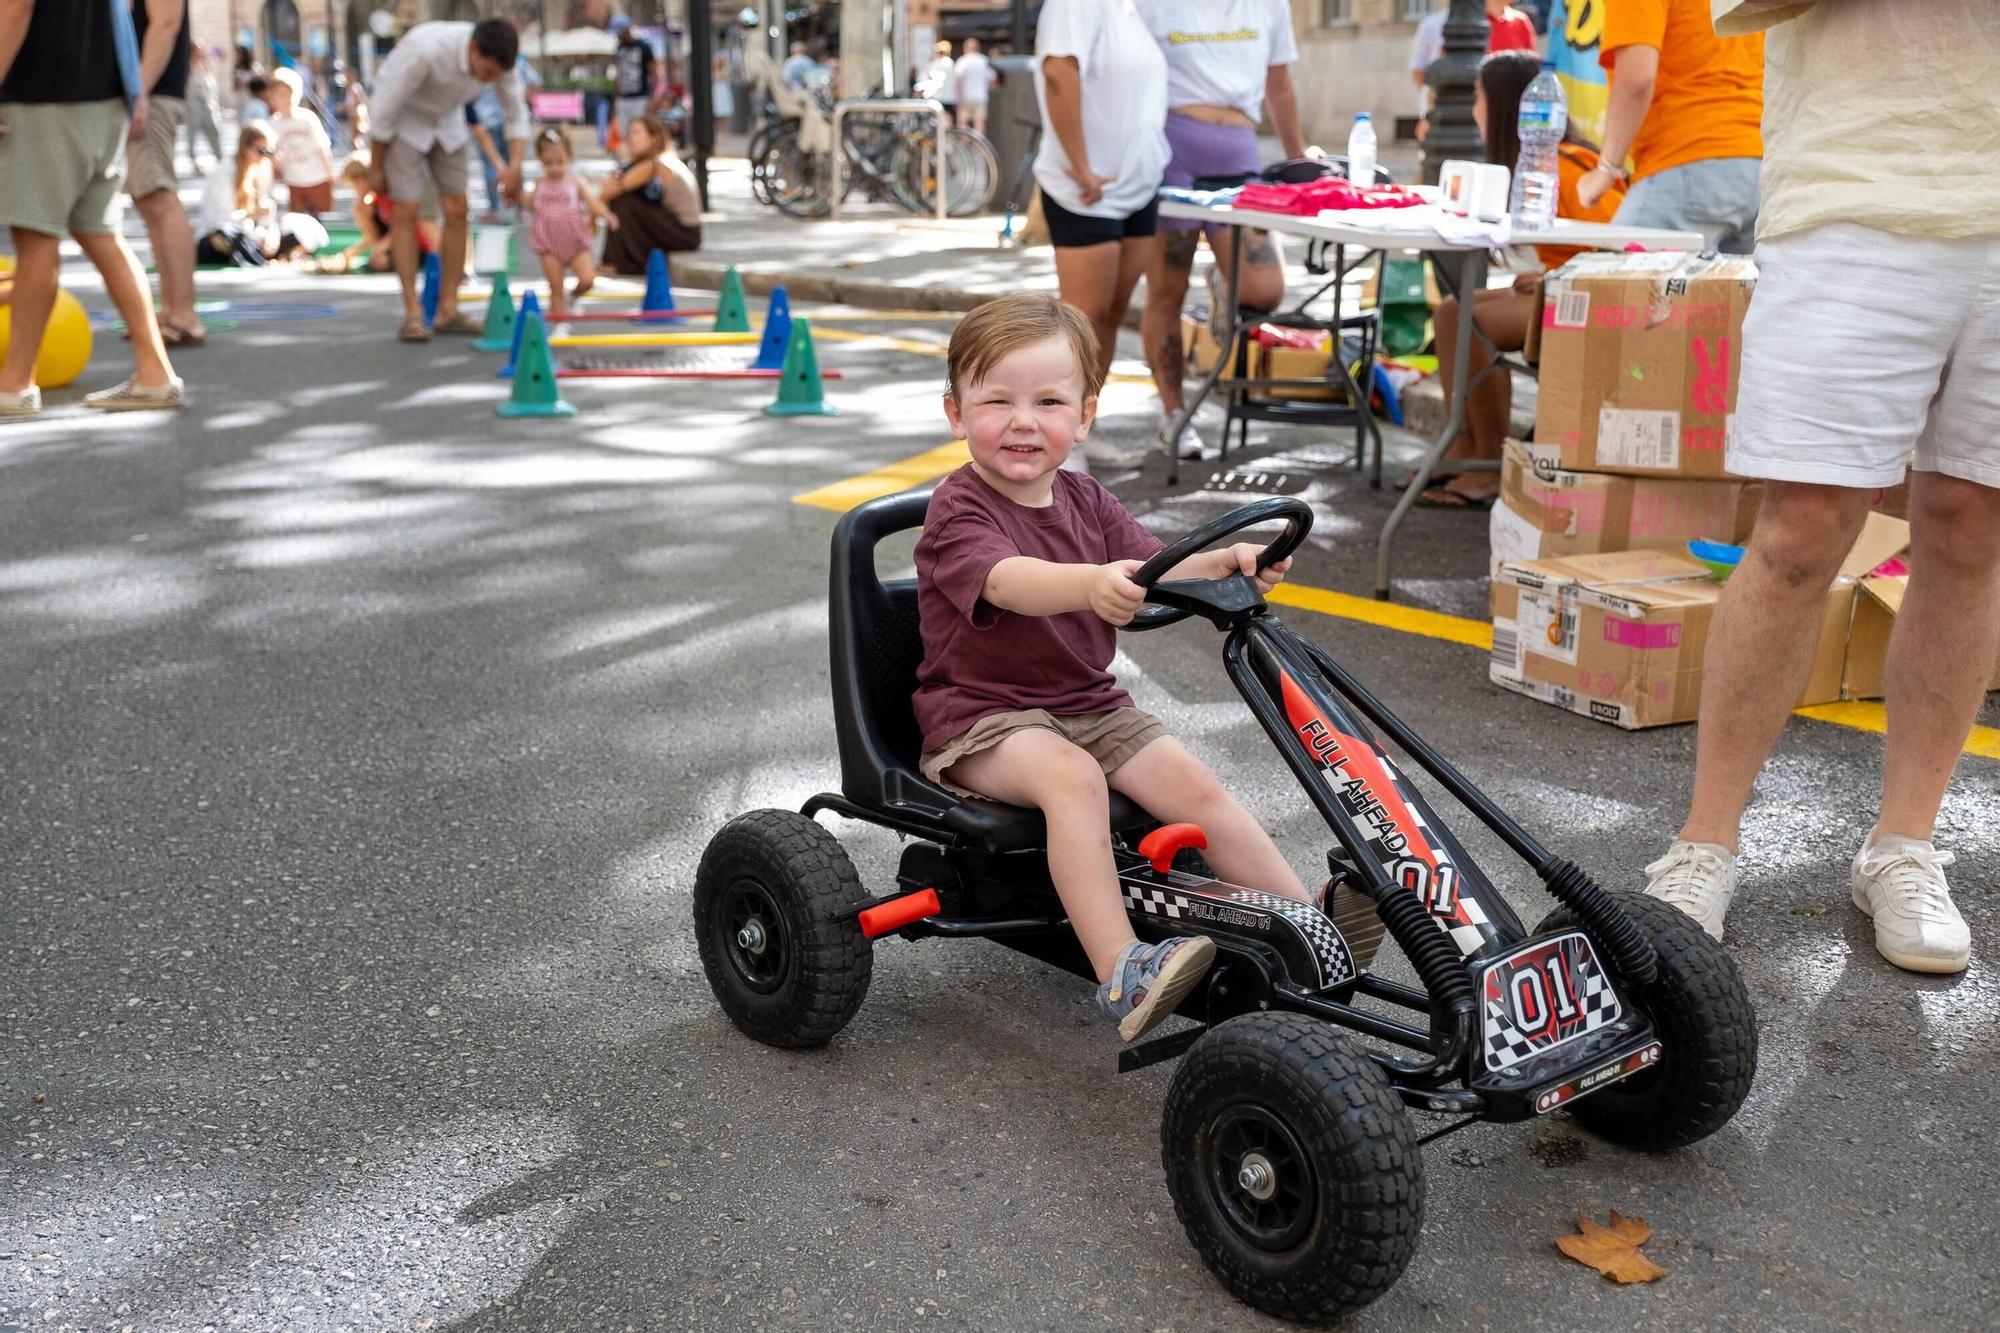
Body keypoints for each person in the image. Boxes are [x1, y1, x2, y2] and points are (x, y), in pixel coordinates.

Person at [1637, 0, 1999, 978]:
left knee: (1969, 526)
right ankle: (1703, 843)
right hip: (1853, 189)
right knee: (1800, 527)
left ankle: (1904, 846)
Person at [914, 293, 1310, 1040]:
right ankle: (1124, 971)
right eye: (997, 400)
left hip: (1087, 704)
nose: (1024, 419)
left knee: (1193, 784)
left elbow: (1156, 564)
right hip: (982, 719)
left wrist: (1222, 561)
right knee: (1073, 779)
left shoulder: (1086, 498)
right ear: (956, 412)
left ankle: (1306, 923)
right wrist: (1090, 584)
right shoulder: (957, 511)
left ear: (1085, 416)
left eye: (1049, 400)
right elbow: (1007, 580)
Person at [1421, 49, 1623, 510]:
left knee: (1473, 320)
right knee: (1453, 310)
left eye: (1477, 96)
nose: (1471, 107)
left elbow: (1627, 251)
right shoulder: (1532, 162)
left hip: (1593, 296)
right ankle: (1467, 446)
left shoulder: (1569, 165)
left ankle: (1491, 462)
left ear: (1504, 104)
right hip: (1563, 286)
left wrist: (1555, 276)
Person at [0, 0, 184, 416]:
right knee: (101, 233)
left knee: (36, 236)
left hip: (45, 92)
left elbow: (15, 7)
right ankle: (156, 373)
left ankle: (14, 382)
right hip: (104, 89)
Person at [1138, 0, 1304, 461]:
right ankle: (1175, 416)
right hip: (1172, 147)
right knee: (1166, 293)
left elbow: (1280, 84)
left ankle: (1221, 281)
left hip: (1238, 152)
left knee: (1265, 291)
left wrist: (1300, 163)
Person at [365, 16, 528, 342]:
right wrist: (376, 165)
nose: (491, 79)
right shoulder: (427, 50)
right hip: (404, 121)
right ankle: (413, 312)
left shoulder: (503, 65)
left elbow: (515, 113)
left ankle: (448, 309)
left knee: (457, 209)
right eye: (488, 72)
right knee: (407, 211)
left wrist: (514, 167)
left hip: (448, 121)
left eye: (497, 74)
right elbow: (385, 106)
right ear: (472, 48)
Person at [1034, 0, 1170, 387]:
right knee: (1083, 320)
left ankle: (1080, 428)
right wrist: (1081, 166)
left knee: (1110, 314)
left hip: (1138, 186)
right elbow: (1058, 73)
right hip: (1086, 191)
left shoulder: (1131, 10)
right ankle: (1055, 435)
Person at [1577, 0, 1762, 252]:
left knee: (1609, 284)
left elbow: (1637, 79)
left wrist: (1607, 168)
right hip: (1758, 166)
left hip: (1689, 162)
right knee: (1720, 292)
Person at [123, 0, 205, 348]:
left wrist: (138, 92)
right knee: (149, 200)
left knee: (159, 198)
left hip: (153, 92)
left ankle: (183, 314)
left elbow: (166, 24)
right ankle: (172, 310)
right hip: (148, 90)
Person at [191, 121, 325, 265]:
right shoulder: (224, 173)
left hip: (252, 239)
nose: (264, 157)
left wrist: (270, 234)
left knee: (304, 227)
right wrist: (253, 215)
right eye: (261, 151)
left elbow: (264, 222)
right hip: (224, 237)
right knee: (225, 237)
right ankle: (257, 260)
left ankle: (258, 258)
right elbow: (219, 221)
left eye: (269, 152)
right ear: (245, 147)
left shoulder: (262, 172)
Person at [527, 127, 614, 319]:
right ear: (541, 161)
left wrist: (607, 215)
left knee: (587, 279)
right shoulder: (539, 184)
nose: (555, 167)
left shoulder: (576, 182)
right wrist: (514, 193)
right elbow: (529, 204)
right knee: (555, 286)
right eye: (549, 163)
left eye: (560, 162)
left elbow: (593, 203)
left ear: (569, 158)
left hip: (575, 240)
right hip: (548, 241)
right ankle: (560, 322)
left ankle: (574, 296)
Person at [598, 115, 701, 273]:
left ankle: (622, 263)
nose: (630, 139)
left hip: (684, 233)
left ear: (654, 138)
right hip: (679, 229)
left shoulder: (656, 163)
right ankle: (616, 261)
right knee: (628, 201)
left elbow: (614, 190)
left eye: (637, 133)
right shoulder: (657, 160)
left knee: (624, 203)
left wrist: (590, 214)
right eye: (630, 133)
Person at [315, 156, 437, 273]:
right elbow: (374, 234)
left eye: (355, 184)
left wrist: (380, 248)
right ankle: (381, 255)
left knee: (382, 260)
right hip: (398, 241)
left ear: (363, 179)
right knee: (359, 209)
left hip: (417, 244)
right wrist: (351, 253)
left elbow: (406, 225)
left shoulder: (391, 195)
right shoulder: (373, 200)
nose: (355, 189)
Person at [266, 67, 333, 217]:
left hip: (317, 176)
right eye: (281, 95)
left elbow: (321, 147)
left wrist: (330, 174)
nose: (287, 99)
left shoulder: (307, 118)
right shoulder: (273, 125)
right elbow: (272, 155)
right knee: (298, 220)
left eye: (290, 94)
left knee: (322, 217)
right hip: (294, 179)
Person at [610, 16, 660, 129]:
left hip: (640, 98)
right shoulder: (619, 48)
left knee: (639, 130)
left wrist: (651, 99)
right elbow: (618, 75)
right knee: (624, 132)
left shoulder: (644, 47)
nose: (617, 36)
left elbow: (653, 74)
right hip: (623, 99)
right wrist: (614, 100)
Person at [184, 44, 223, 170]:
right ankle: (194, 161)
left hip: (209, 105)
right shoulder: (186, 67)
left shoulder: (207, 66)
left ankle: (219, 157)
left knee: (214, 130)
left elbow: (213, 86)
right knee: (192, 134)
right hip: (193, 104)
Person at [951, 36, 994, 136]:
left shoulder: (962, 61)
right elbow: (992, 77)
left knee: (962, 125)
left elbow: (957, 79)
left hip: (964, 97)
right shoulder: (983, 60)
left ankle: (964, 149)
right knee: (979, 124)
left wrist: (957, 97)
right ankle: (979, 149)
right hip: (980, 97)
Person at [917, 40, 956, 114]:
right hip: (946, 96)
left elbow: (926, 77)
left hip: (938, 96)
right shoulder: (948, 63)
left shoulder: (939, 63)